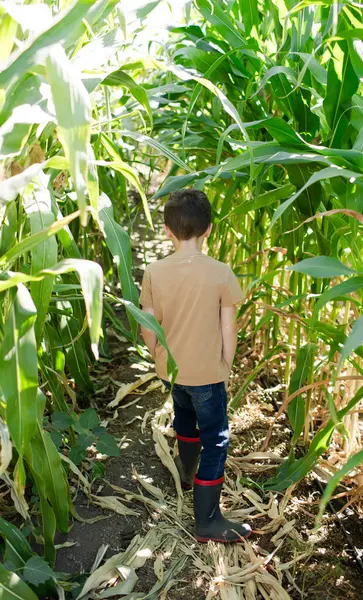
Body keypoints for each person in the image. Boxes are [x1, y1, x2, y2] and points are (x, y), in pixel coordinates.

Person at [139, 189, 251, 543]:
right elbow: (228, 326)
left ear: (167, 231)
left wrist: (157, 354)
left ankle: (187, 475)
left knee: (184, 417)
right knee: (216, 440)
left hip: (172, 371)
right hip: (207, 373)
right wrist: (225, 365)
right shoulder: (220, 272)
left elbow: (148, 324)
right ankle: (207, 521)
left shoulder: (154, 272)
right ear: (209, 230)